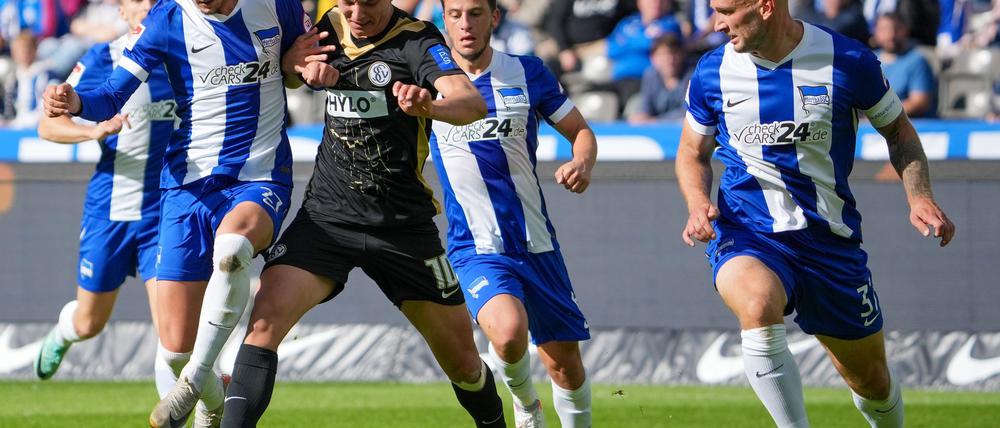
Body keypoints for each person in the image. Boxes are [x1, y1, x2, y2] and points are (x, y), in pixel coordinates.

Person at [220, 1, 505, 427]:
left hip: (403, 229)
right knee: (264, 323)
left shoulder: (417, 39)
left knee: (464, 364)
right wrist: (300, 69)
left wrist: (429, 106)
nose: (355, 14)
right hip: (327, 219)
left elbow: (471, 103)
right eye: (347, 1)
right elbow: (288, 72)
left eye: (367, 3)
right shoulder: (327, 27)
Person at [676, 0, 956, 427]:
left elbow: (899, 132)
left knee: (871, 381)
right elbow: (692, 153)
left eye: (727, 11)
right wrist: (697, 203)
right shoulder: (712, 72)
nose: (716, 24)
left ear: (766, 7)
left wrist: (919, 197)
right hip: (749, 230)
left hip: (829, 240)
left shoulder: (848, 61)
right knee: (756, 303)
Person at [41, 0, 316, 425]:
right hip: (181, 191)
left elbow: (305, 62)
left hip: (257, 179)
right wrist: (74, 101)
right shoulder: (166, 22)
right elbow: (109, 96)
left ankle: (195, 382)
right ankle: (207, 396)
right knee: (171, 352)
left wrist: (299, 66)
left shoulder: (276, 5)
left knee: (232, 249)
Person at [435, 0, 598, 426]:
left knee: (565, 364)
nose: (465, 24)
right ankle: (526, 406)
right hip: (476, 246)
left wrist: (582, 163)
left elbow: (580, 131)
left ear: (495, 17)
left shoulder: (527, 73)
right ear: (444, 19)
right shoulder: (428, 80)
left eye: (475, 13)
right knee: (507, 334)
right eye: (455, 14)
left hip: (537, 242)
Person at [33, 0, 173, 393]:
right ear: (122, 11)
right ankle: (63, 333)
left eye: (154, 0)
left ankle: (178, 413)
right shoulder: (104, 56)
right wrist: (90, 131)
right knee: (89, 323)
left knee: (172, 332)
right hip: (111, 209)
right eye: (138, 0)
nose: (147, 6)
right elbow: (48, 125)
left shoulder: (187, 54)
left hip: (165, 213)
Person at [873, 12, 937, 118]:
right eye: (884, 29)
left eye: (896, 29)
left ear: (905, 30)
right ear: (876, 32)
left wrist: (879, 116)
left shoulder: (916, 61)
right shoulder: (868, 60)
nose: (891, 35)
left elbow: (919, 102)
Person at [628, 34, 690, 123]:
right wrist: (641, 115)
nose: (669, 59)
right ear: (653, 58)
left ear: (682, 55)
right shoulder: (650, 75)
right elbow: (647, 107)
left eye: (673, 53)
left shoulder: (693, 75)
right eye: (663, 55)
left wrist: (657, 121)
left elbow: (689, 112)